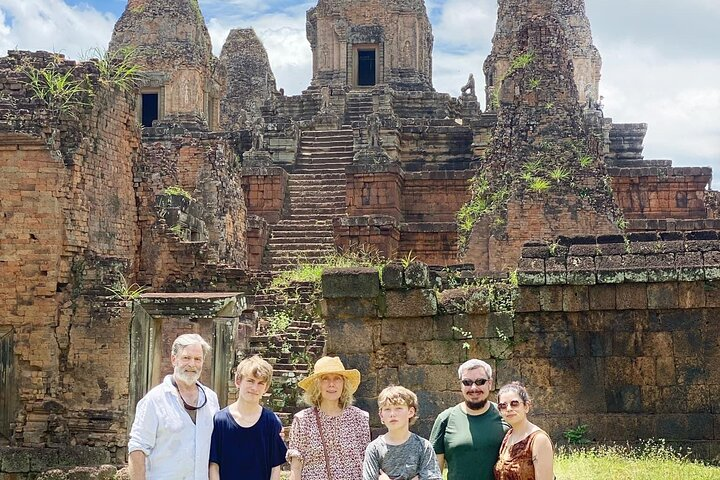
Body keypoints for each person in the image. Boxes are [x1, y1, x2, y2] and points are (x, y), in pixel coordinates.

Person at [128, 333, 220, 480]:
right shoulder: (154, 400)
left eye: (197, 359)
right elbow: (137, 449)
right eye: (186, 358)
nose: (192, 364)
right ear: (173, 359)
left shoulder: (211, 399)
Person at [287, 356, 370, 480]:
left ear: (344, 384)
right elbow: (296, 468)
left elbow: (366, 462)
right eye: (325, 379)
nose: (331, 384)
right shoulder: (302, 420)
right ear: (317, 385)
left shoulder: (359, 418)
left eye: (337, 379)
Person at [209, 355, 287, 480]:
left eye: (260, 383)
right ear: (238, 381)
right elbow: (214, 465)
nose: (254, 388)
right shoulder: (220, 420)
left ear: (266, 388)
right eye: (250, 381)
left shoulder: (271, 421)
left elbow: (275, 468)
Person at [429, 359, 508, 480]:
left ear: (490, 383)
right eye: (467, 382)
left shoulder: (506, 416)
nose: (474, 388)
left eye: (480, 381)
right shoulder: (445, 419)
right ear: (460, 385)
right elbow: (433, 472)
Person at [363, 385, 441, 480]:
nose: (392, 414)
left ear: (410, 412)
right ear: (381, 415)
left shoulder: (423, 446)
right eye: (387, 409)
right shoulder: (374, 449)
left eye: (398, 408)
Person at [493, 383, 554, 480]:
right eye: (503, 406)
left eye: (514, 404)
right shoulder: (508, 436)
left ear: (526, 406)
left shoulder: (538, 440)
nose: (508, 409)